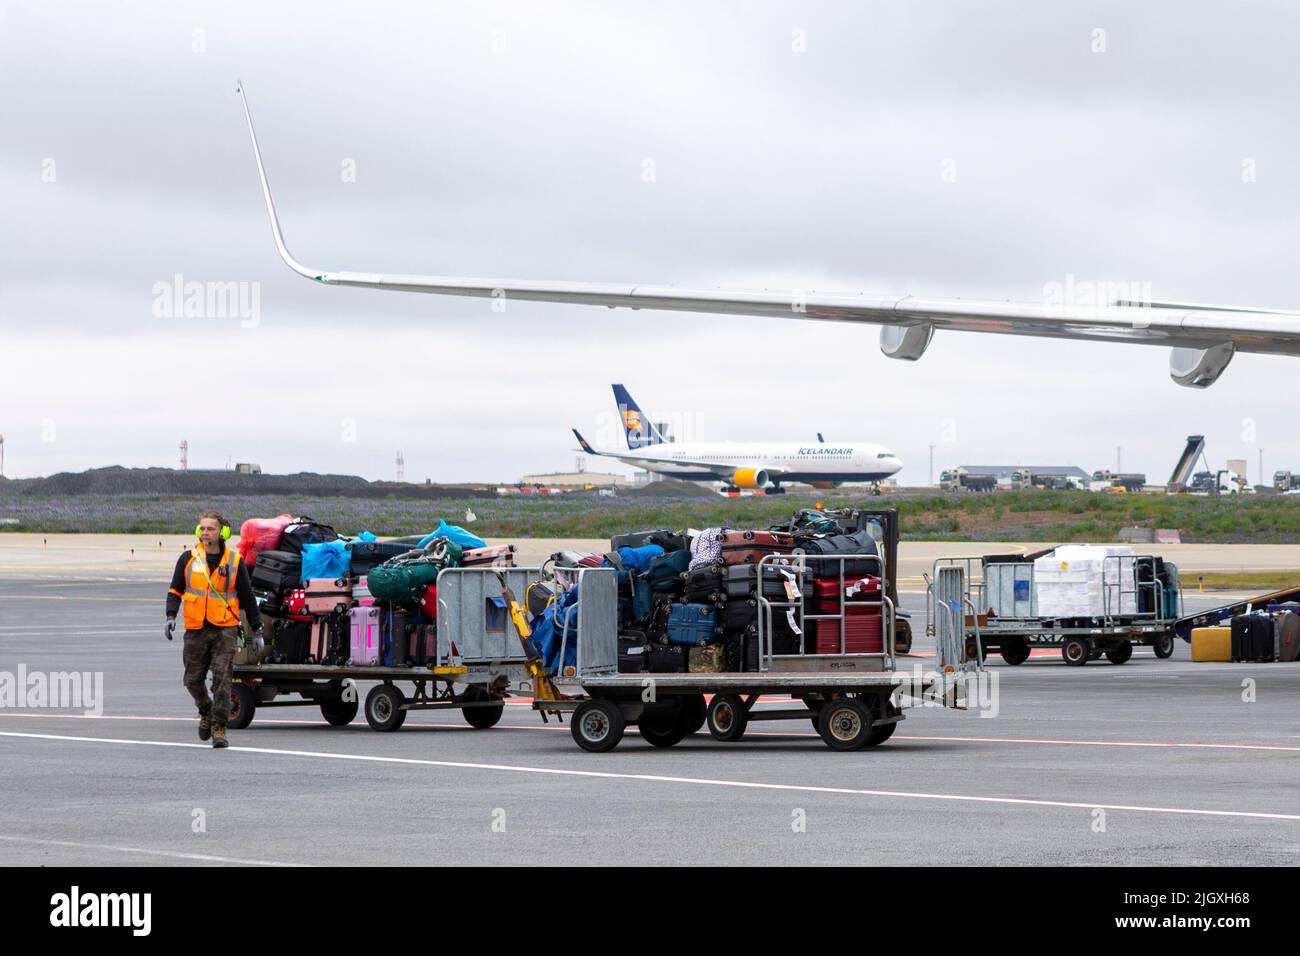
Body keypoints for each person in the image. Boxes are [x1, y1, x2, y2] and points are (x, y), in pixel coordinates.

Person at [163, 510, 263, 748]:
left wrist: (257, 629)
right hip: (196, 628)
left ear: (222, 533)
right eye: (203, 528)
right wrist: (170, 616)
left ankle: (219, 727)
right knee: (192, 680)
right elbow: (175, 590)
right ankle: (206, 710)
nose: (206, 532)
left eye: (211, 528)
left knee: (222, 680)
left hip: (224, 629)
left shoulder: (234, 561)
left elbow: (248, 598)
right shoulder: (188, 558)